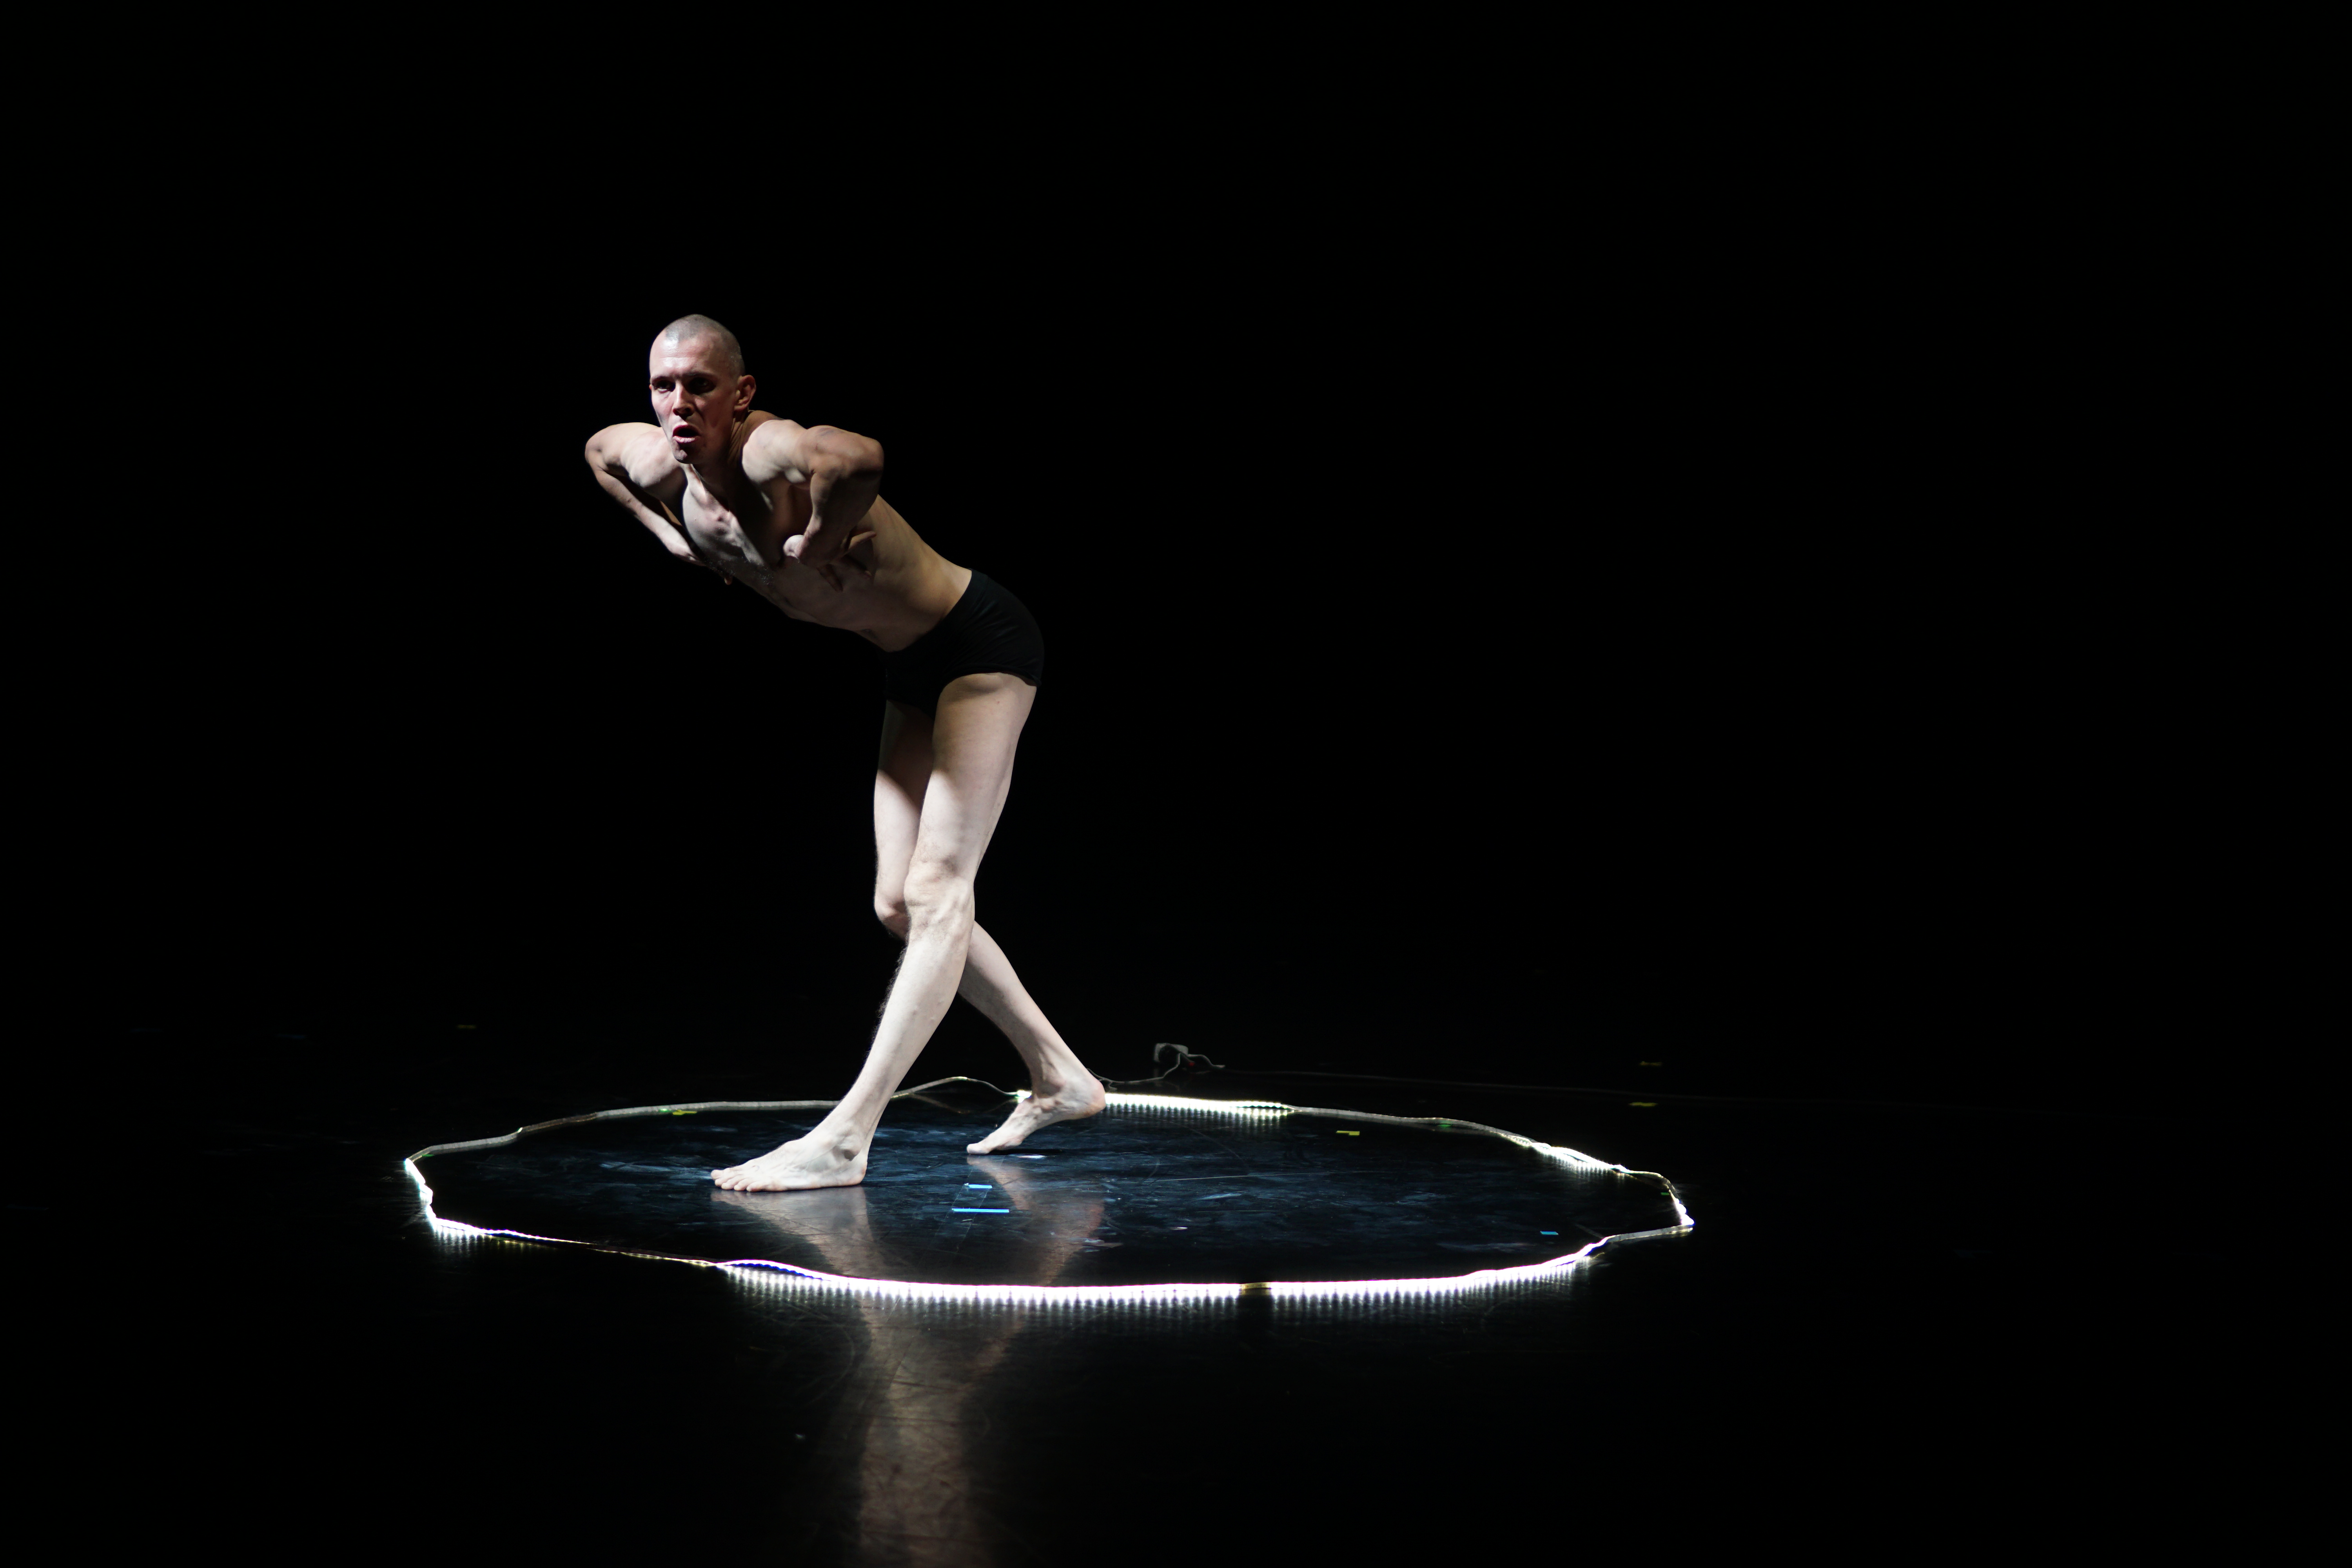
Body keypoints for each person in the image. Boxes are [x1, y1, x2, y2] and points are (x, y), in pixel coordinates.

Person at [584, 314, 1104, 1190]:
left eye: (701, 386)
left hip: (979, 644)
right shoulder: (661, 465)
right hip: (908, 666)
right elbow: (599, 450)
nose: (680, 404)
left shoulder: (765, 453)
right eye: (663, 387)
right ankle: (1062, 1077)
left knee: (939, 889)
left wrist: (823, 534)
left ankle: (845, 1139)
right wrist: (664, 533)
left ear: (741, 394)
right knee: (897, 903)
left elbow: (859, 457)